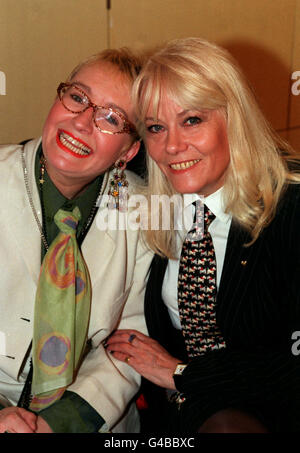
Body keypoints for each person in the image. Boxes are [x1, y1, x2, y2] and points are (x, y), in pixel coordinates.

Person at [107, 37, 300, 432]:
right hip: (173, 412)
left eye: (192, 120)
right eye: (156, 127)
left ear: (235, 118)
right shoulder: (150, 191)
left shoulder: (291, 207)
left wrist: (182, 373)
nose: (172, 146)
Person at [0, 48, 153, 433]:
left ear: (129, 152)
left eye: (111, 118)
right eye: (78, 98)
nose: (83, 122)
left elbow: (133, 341)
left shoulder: (147, 214)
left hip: (93, 420)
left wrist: (61, 424)